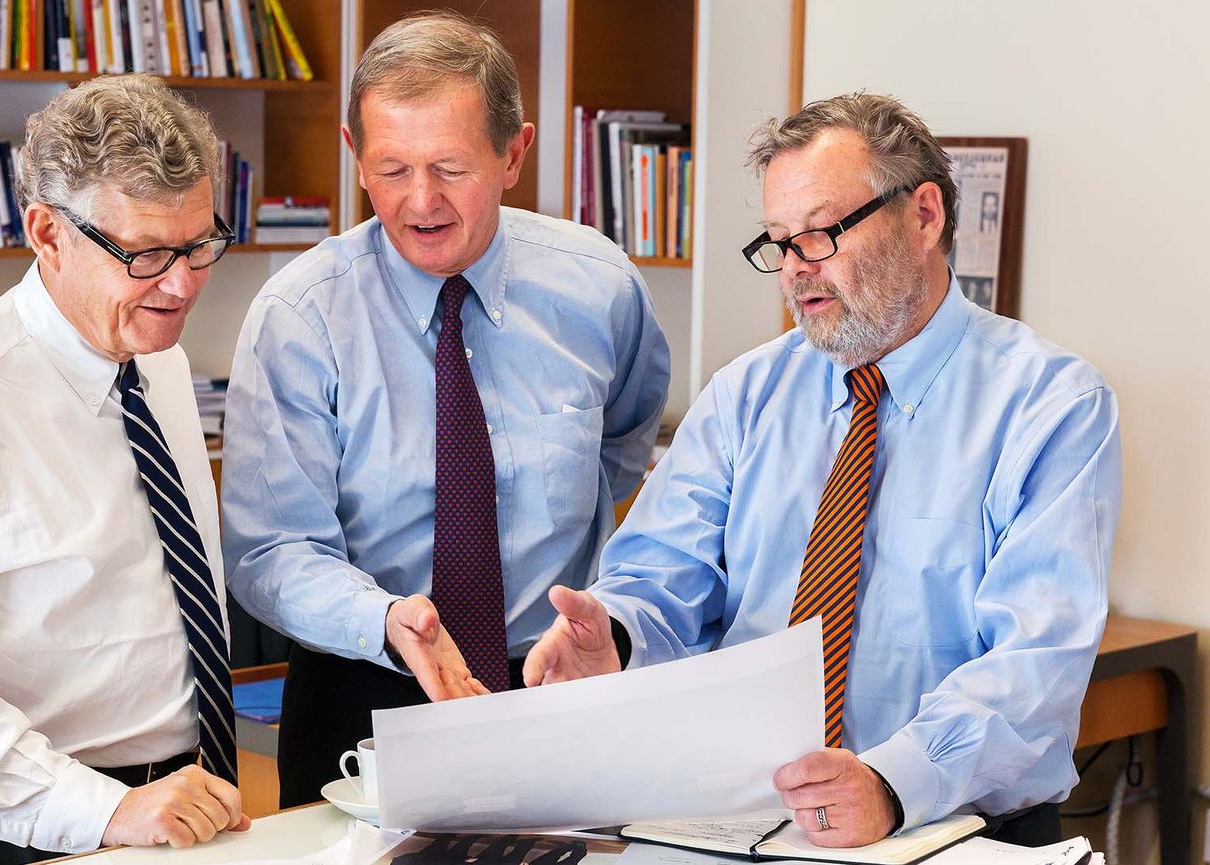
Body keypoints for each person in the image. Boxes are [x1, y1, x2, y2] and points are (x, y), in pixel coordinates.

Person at [524, 93, 1120, 849]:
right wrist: (615, 632)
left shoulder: (1051, 405)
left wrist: (891, 780)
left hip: (946, 828)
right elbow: (663, 576)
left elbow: (1035, 663)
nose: (795, 273)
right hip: (741, 819)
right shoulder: (746, 392)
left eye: (822, 236)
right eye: (778, 243)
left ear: (925, 215)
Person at [222, 11, 670, 807]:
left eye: (450, 167)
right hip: (365, 688)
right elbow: (269, 551)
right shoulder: (301, 315)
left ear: (513, 153)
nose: (419, 201)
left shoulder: (599, 286)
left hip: (558, 685)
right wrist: (386, 618)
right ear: (355, 154)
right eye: (390, 168)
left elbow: (625, 437)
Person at [0, 75, 251, 864]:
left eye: (200, 243)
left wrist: (154, 804)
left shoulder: (155, 359)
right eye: (144, 253)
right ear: (46, 232)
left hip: (179, 806)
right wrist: (106, 809)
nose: (181, 284)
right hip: (15, 829)